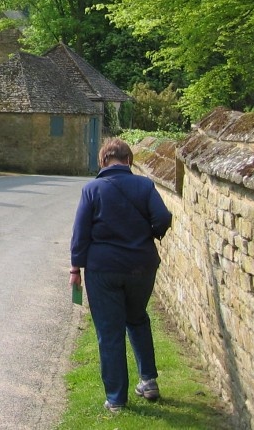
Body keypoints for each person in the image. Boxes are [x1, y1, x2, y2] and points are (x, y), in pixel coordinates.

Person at [70, 137, 173, 414]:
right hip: (141, 266)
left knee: (109, 331)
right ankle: (149, 381)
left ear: (103, 161)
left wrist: (75, 269)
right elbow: (163, 217)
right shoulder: (144, 185)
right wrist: (148, 235)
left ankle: (116, 399)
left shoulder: (92, 189)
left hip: (103, 269)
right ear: (129, 161)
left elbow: (81, 233)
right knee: (137, 318)